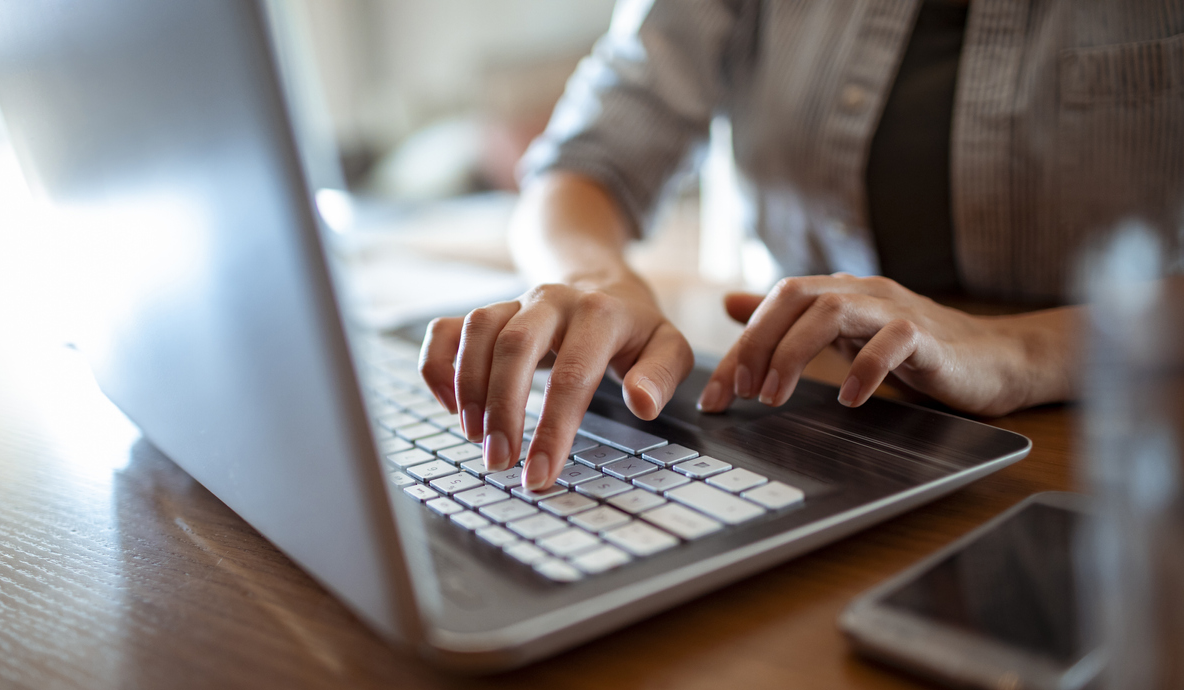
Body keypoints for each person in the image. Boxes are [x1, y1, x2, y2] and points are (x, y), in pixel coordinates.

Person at [419, 0, 1184, 491]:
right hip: (792, 424)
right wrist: (596, 278)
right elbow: (582, 161)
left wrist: (1017, 352)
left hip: (1113, 441)